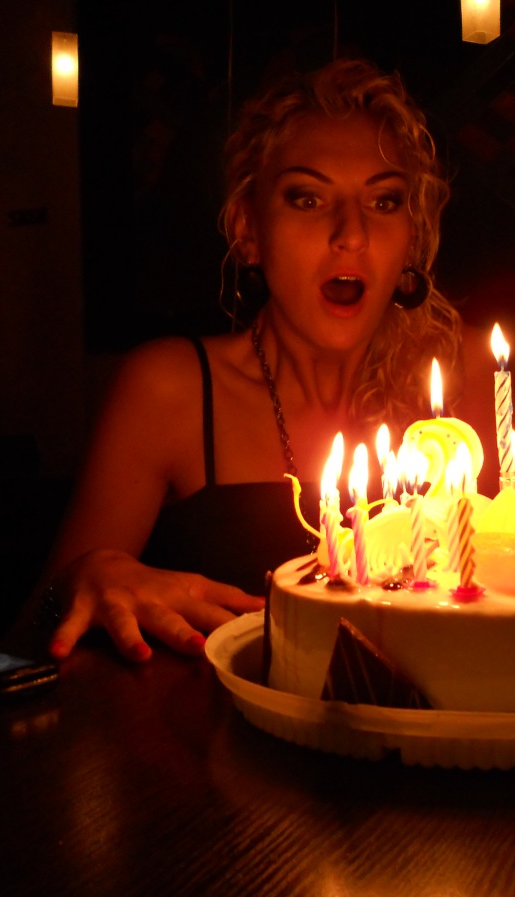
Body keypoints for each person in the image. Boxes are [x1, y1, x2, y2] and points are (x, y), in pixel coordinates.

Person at [41, 59, 463, 663]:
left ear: (412, 237)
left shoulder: (455, 392)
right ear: (247, 229)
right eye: (308, 198)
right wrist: (86, 580)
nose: (351, 234)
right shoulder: (170, 390)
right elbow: (34, 637)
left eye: (384, 201)